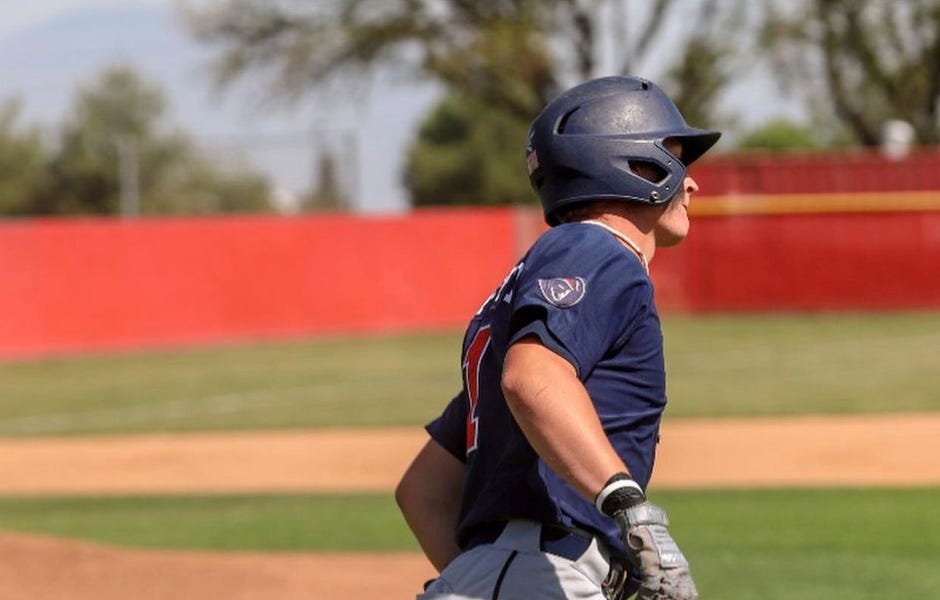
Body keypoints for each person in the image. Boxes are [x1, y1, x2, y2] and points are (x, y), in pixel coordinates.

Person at [396, 76, 720, 600]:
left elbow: (422, 491)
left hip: (507, 577)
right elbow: (532, 378)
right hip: (546, 575)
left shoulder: (517, 299)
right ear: (635, 165)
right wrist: (630, 509)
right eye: (677, 159)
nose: (691, 183)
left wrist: (480, 583)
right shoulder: (597, 249)